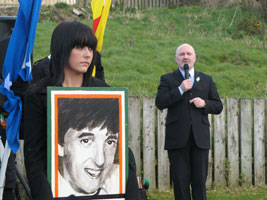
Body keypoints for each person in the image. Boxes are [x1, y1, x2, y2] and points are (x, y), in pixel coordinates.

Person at [23, 21, 140, 200]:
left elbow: (124, 151)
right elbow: (35, 158)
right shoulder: (38, 96)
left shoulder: (104, 91)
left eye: (91, 49)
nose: (87, 54)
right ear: (62, 49)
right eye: (79, 47)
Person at [155, 43, 223, 200]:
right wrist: (180, 89)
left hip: (200, 139)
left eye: (188, 53)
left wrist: (205, 103)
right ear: (176, 58)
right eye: (181, 54)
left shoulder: (206, 79)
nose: (185, 56)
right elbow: (160, 102)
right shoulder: (167, 79)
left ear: (195, 57)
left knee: (199, 182)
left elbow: (218, 105)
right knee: (180, 182)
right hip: (177, 139)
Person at [57, 98, 120, 197]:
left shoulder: (119, 179)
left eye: (110, 142)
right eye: (86, 141)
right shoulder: (50, 188)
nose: (100, 161)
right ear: (60, 146)